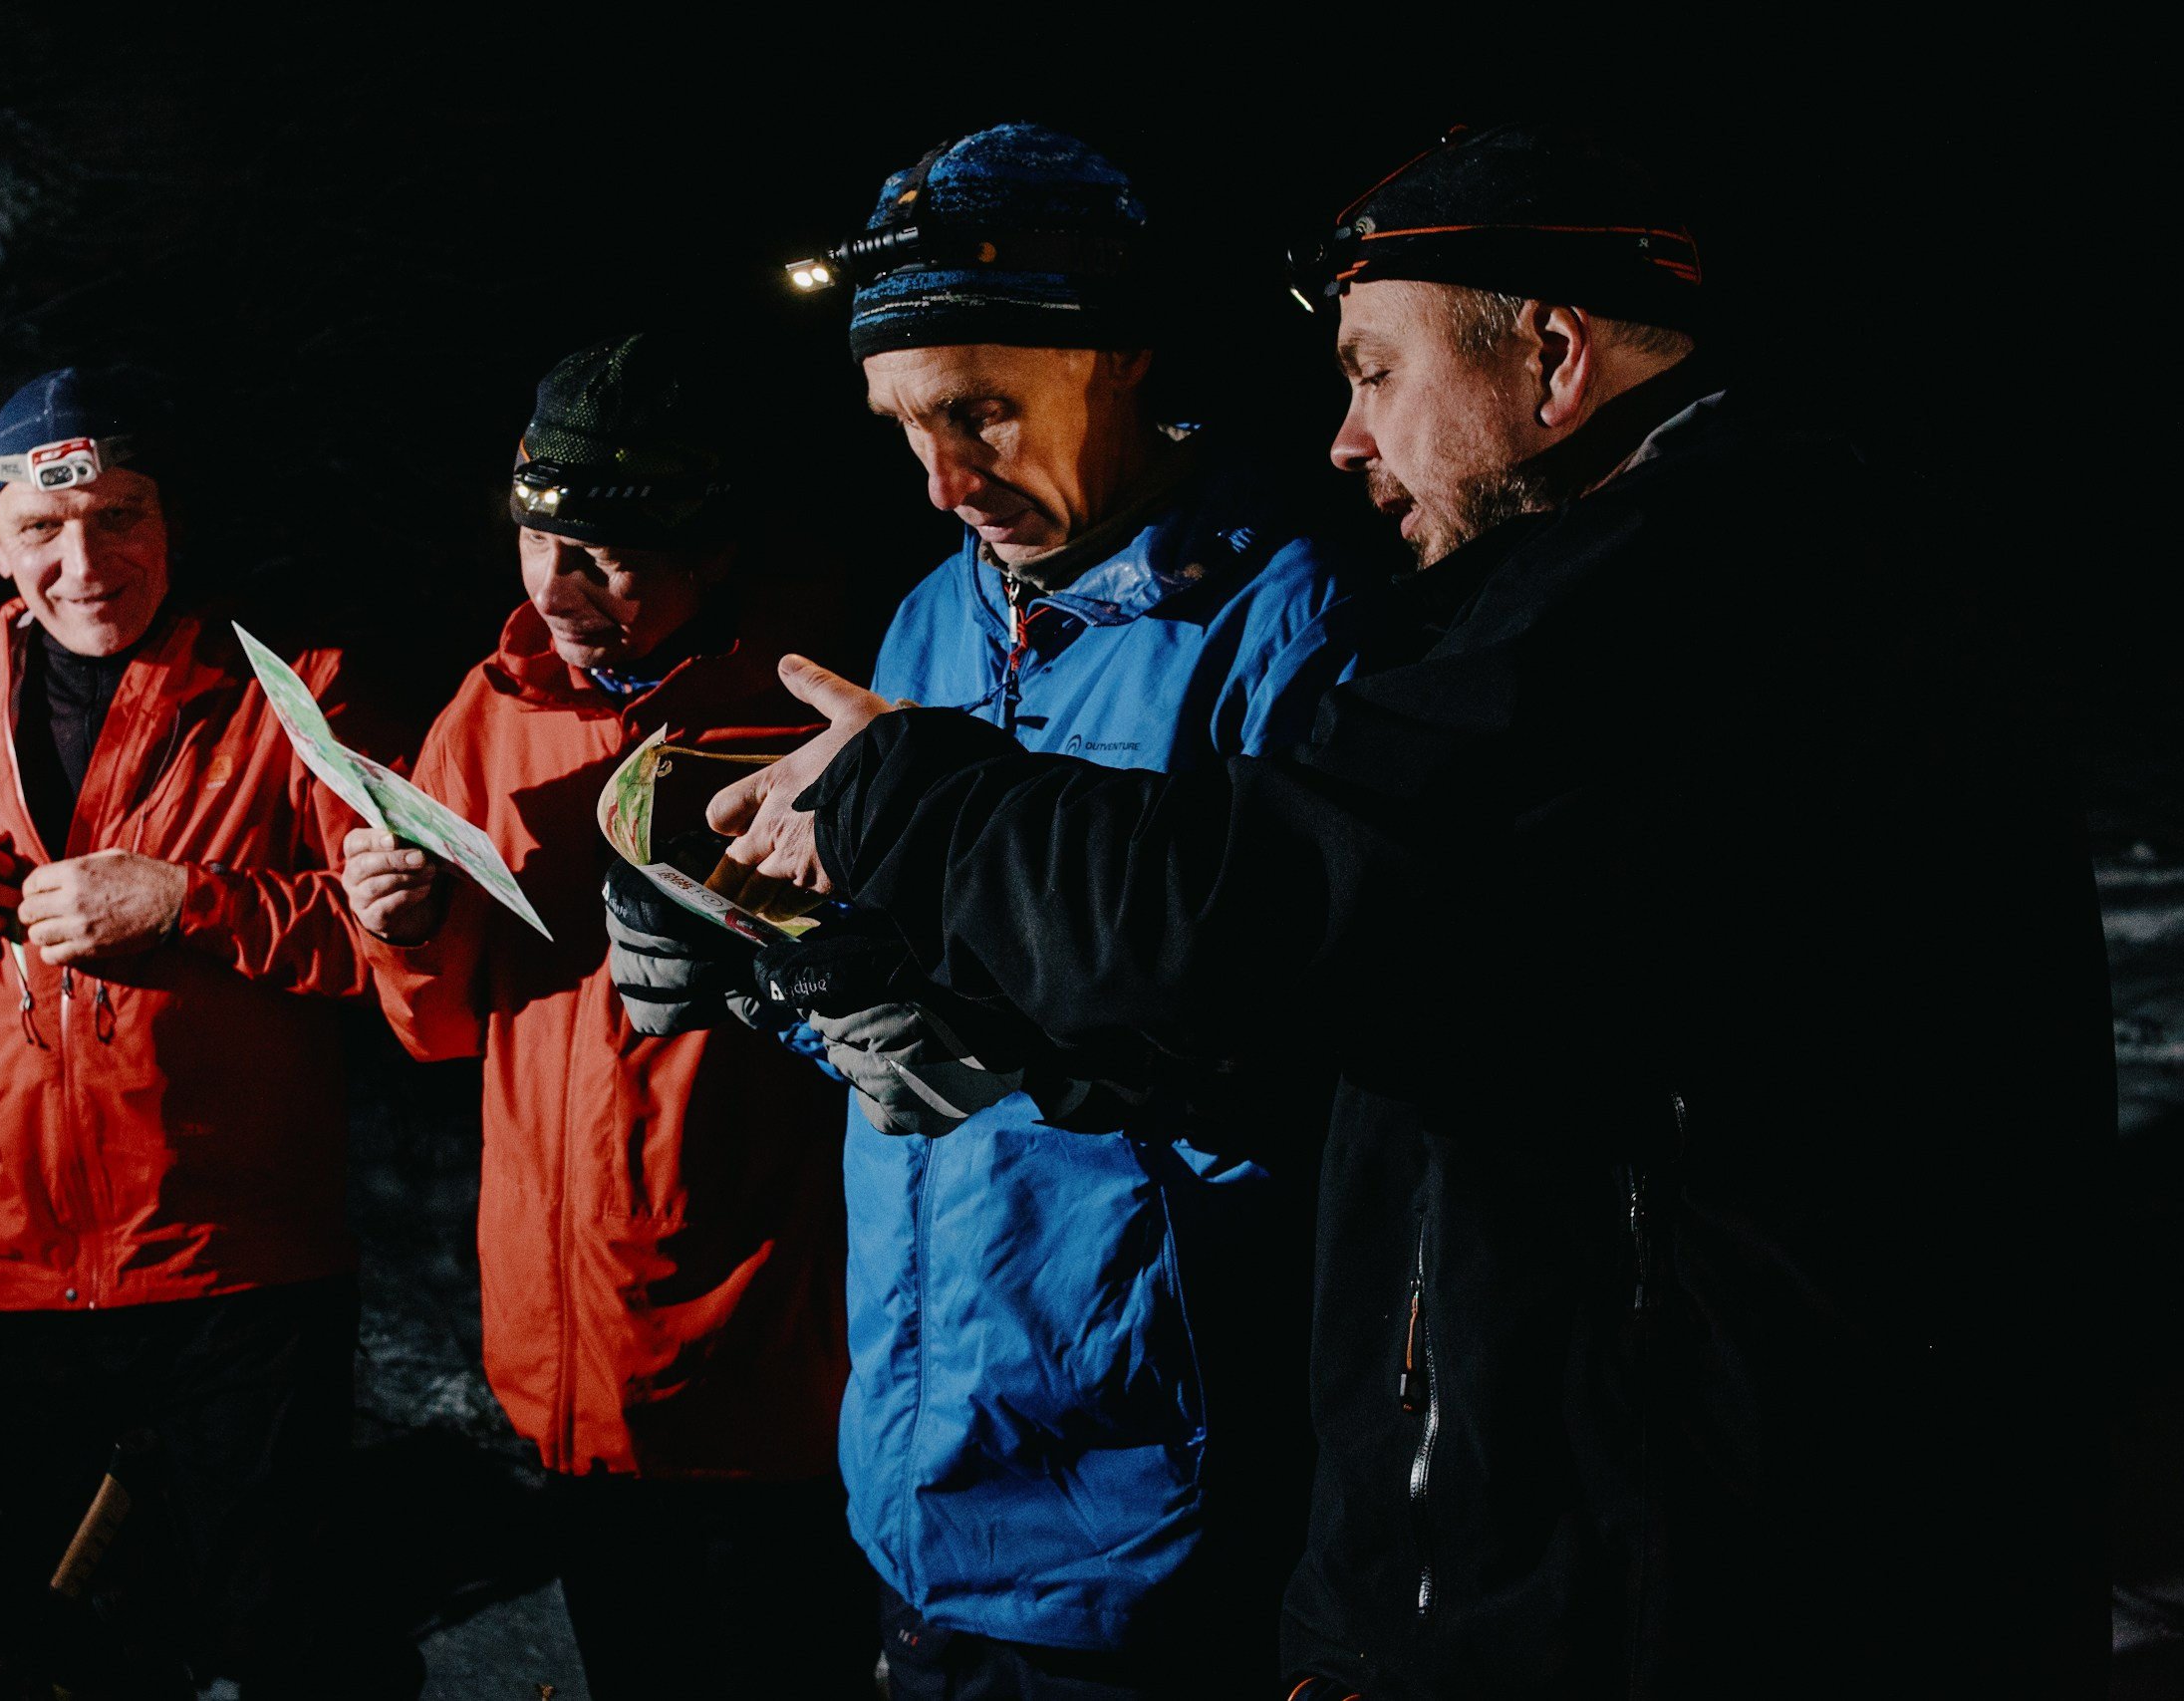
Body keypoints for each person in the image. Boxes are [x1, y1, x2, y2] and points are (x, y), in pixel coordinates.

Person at [709, 125, 2104, 1699]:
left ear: (1556, 357)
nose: (1345, 441)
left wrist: (922, 804)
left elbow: (1264, 935)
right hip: (1483, 1551)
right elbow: (1395, 1018)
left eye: (1375, 374)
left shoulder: (1670, 610)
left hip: (1658, 1594)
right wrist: (851, 984)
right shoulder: (1659, 582)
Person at [618, 126, 1367, 1697]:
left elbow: (1310, 1054)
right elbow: (909, 1036)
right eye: (904, 425)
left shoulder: (1285, 620)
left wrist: (990, 1037)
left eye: (985, 411)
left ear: (1128, 360)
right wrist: (771, 968)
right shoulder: (926, 618)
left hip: (1148, 1502)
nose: (947, 481)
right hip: (917, 1466)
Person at [0, 367, 403, 1697]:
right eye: (43, 528)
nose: (85, 559)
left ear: (171, 522)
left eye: (121, 515)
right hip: (5, 1277)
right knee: (49, 1646)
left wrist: (195, 902)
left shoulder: (297, 693)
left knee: (271, 1650)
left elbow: (412, 951)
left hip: (241, 1281)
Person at [333, 333, 873, 1699]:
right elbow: (439, 1029)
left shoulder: (795, 712)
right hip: (564, 1352)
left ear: (711, 549)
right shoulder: (491, 708)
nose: (558, 589)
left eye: (606, 557)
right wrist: (401, 926)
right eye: (536, 541)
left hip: (765, 1370)